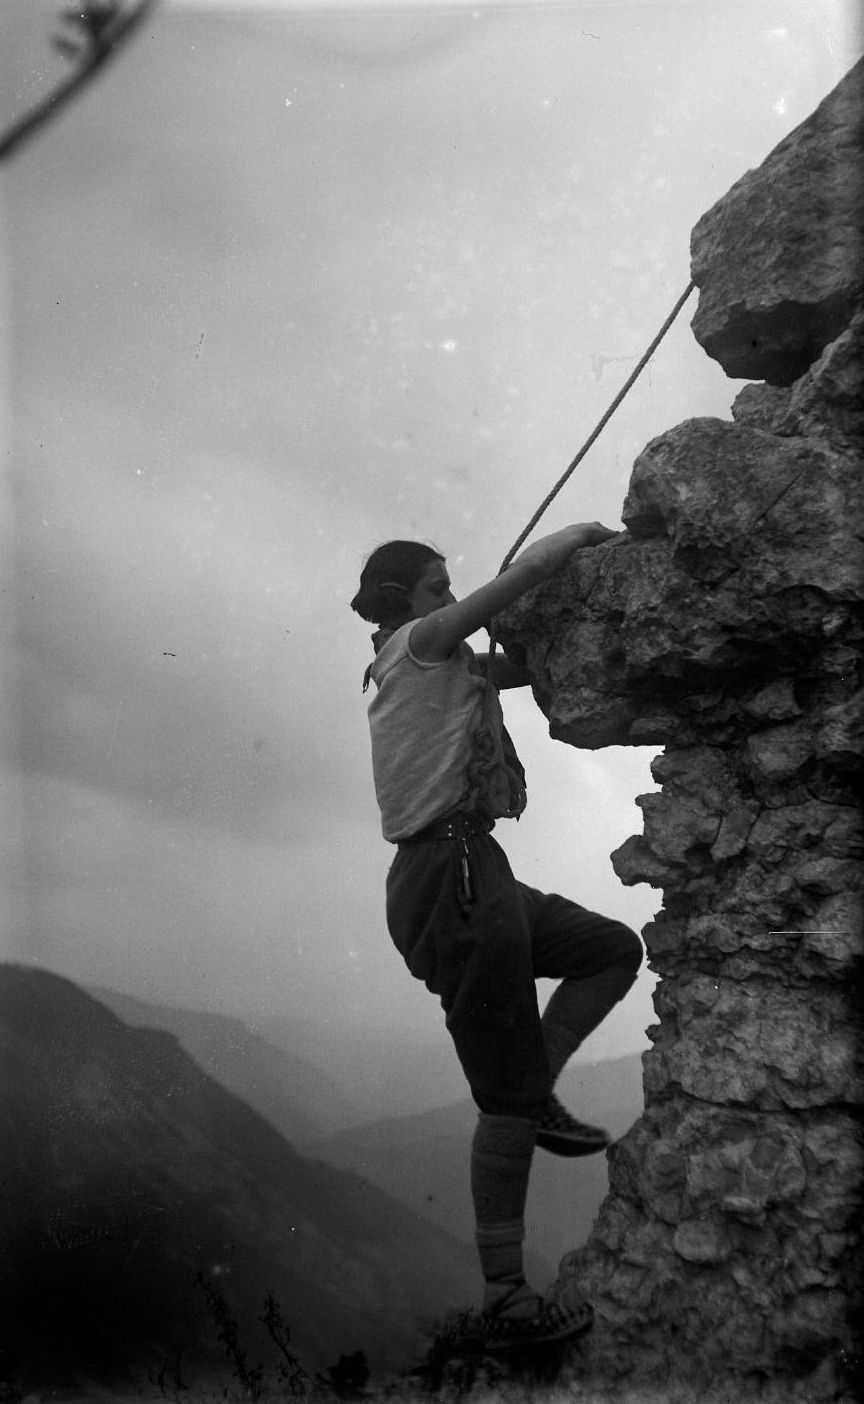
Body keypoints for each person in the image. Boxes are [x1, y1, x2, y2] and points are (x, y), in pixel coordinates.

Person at [351, 528, 643, 1349]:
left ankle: (536, 1088)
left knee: (609, 950)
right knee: (503, 1099)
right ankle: (506, 1297)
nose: (449, 598)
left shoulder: (436, 665)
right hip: (454, 878)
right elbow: (534, 570)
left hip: (472, 866)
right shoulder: (415, 646)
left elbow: (505, 671)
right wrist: (580, 538)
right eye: (437, 586)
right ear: (404, 601)